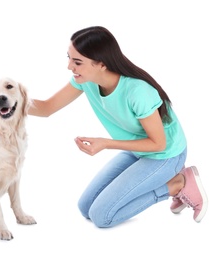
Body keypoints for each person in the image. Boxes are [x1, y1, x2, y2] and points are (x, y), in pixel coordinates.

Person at [28, 26, 208, 227]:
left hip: (166, 155)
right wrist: (8, 103)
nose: (70, 66)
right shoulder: (85, 80)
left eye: (77, 62)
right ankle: (172, 181)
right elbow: (46, 108)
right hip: (136, 150)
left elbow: (158, 144)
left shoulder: (137, 91)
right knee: (85, 207)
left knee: (102, 217)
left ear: (101, 64)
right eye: (69, 58)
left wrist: (106, 143)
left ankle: (177, 184)